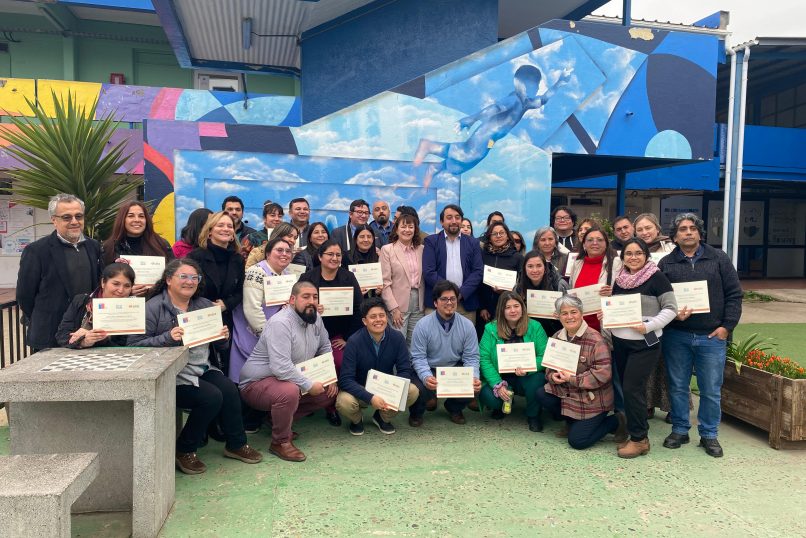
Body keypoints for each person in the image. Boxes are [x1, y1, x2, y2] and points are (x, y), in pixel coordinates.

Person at [128, 259, 262, 474]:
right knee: (210, 397)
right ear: (168, 279)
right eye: (183, 276)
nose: (189, 282)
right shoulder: (153, 308)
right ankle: (184, 449)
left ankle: (236, 444)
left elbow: (219, 345)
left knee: (229, 389)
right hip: (172, 374)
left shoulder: (205, 305)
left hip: (201, 368)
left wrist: (223, 337)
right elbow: (134, 345)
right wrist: (167, 337)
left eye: (194, 277)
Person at [658, 213, 742, 458]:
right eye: (682, 229)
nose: (688, 232)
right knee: (678, 386)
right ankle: (680, 429)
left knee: (711, 389)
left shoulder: (719, 258)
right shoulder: (666, 263)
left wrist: (726, 327)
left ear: (700, 233)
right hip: (677, 336)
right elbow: (658, 298)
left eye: (692, 228)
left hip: (712, 336)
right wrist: (673, 316)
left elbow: (734, 295)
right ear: (674, 237)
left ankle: (709, 434)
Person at [239, 281, 338, 462]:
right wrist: (308, 385)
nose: (311, 301)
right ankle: (280, 442)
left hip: (288, 378)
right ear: (292, 300)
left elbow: (325, 346)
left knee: (329, 393)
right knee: (289, 391)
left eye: (315, 297)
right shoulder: (281, 323)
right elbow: (281, 367)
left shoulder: (316, 318)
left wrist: (330, 377)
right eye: (305, 297)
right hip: (257, 382)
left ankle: (275, 420)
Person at [610, 238, 677, 458]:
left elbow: (671, 309)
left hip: (645, 343)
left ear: (646, 255)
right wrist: (606, 315)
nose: (633, 257)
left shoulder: (657, 277)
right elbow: (616, 308)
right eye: (628, 254)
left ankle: (640, 440)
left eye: (638, 253)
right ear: (623, 258)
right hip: (620, 341)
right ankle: (635, 434)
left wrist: (648, 325)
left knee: (632, 388)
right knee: (627, 389)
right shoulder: (620, 279)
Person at [536, 295, 627, 449]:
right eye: (564, 313)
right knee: (541, 394)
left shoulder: (596, 340)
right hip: (569, 394)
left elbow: (603, 374)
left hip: (592, 399)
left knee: (578, 441)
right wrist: (553, 376)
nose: (569, 317)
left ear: (581, 313)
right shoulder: (557, 336)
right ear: (558, 316)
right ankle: (572, 421)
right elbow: (549, 368)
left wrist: (572, 378)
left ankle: (617, 421)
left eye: (574, 312)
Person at [17, 194, 102, 352]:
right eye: (66, 217)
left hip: (85, 332)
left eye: (78, 216)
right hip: (49, 334)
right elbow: (25, 295)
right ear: (54, 220)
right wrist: (41, 318)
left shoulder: (94, 246)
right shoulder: (36, 251)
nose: (74, 221)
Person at [299, 240, 363, 426]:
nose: (335, 258)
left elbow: (359, 308)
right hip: (310, 333)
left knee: (340, 362)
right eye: (330, 254)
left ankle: (333, 406)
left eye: (338, 255)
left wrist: (347, 338)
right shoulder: (307, 277)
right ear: (320, 256)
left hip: (339, 335)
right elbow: (296, 306)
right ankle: (310, 401)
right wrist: (312, 308)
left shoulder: (348, 277)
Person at [336, 297, 420, 435]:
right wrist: (370, 397)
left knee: (412, 391)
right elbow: (345, 379)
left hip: (386, 388)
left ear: (387, 317)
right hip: (360, 389)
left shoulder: (397, 338)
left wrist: (393, 390)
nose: (378, 320)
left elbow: (405, 370)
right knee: (344, 401)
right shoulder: (354, 341)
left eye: (382, 315)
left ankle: (382, 417)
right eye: (373, 317)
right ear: (364, 321)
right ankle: (357, 420)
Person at [409, 280, 481, 427]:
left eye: (453, 299)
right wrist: (426, 376)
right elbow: (418, 357)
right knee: (419, 389)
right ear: (435, 303)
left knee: (473, 386)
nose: (449, 302)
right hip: (430, 368)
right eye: (444, 299)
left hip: (453, 368)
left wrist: (474, 377)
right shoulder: (422, 325)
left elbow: (472, 357)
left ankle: (453, 407)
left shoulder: (467, 325)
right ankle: (416, 412)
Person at [229, 238, 296, 384]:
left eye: (288, 251)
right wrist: (269, 337)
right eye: (279, 250)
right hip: (254, 333)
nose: (284, 254)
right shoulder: (256, 272)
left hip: (276, 333)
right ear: (268, 254)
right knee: (250, 378)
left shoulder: (286, 274)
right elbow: (252, 309)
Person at [478, 292, 548, 432]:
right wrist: (497, 384)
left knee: (538, 380)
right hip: (501, 378)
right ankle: (501, 404)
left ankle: (533, 415)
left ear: (522, 307)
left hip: (526, 377)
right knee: (487, 395)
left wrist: (528, 368)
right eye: (508, 307)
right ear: (501, 310)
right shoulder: (490, 329)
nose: (513, 310)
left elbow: (544, 355)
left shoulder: (535, 326)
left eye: (516, 306)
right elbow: (484, 358)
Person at [187, 212, 244, 373]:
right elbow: (186, 288)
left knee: (224, 366)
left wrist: (226, 304)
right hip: (198, 319)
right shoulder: (195, 257)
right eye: (220, 225)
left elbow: (240, 291)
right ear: (209, 231)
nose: (226, 229)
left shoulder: (238, 259)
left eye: (229, 226)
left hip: (225, 320)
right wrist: (207, 306)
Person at [422, 204, 484, 323]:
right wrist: (448, 294)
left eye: (457, 217)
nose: (454, 221)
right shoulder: (431, 242)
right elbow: (429, 272)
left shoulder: (473, 243)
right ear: (442, 222)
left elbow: (478, 271)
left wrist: (461, 293)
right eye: (449, 217)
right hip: (438, 302)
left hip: (465, 303)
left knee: (465, 335)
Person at [55, 262, 136, 348]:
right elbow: (62, 336)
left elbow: (130, 343)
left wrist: (95, 338)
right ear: (103, 283)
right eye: (116, 284)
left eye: (127, 286)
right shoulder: (81, 301)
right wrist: (83, 341)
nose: (121, 290)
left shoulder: (135, 309)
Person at [101, 201, 174, 296]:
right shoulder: (109, 247)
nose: (137, 220)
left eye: (141, 216)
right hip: (122, 302)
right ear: (122, 219)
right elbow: (103, 281)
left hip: (157, 300)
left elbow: (173, 274)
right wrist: (126, 290)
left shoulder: (161, 244)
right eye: (131, 216)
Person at [379, 212, 425, 345]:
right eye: (403, 227)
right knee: (397, 343)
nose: (407, 230)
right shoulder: (387, 250)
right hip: (397, 305)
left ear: (415, 230)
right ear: (396, 229)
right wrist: (393, 309)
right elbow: (385, 283)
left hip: (419, 303)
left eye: (411, 227)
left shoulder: (422, 249)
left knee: (415, 343)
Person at [568, 224, 622, 333]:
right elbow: (571, 292)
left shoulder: (616, 263)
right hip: (580, 327)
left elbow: (626, 292)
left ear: (606, 244)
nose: (595, 243)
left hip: (604, 327)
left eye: (600, 240)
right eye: (590, 240)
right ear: (584, 244)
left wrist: (612, 292)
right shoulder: (577, 264)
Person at [478, 222, 523, 329]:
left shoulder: (517, 258)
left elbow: (522, 283)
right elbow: (478, 283)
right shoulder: (482, 255)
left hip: (509, 309)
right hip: (486, 311)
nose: (498, 236)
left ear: (507, 236)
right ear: (489, 237)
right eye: (494, 234)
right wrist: (482, 307)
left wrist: (507, 290)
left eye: (501, 233)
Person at [517, 250, 567, 336]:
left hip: (556, 333)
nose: (535, 270)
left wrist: (562, 314)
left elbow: (572, 311)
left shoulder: (559, 284)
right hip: (529, 334)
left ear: (545, 268)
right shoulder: (519, 288)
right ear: (524, 268)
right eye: (530, 266)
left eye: (539, 266)